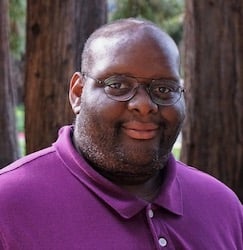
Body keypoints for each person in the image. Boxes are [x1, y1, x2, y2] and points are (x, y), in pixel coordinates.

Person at [0, 18, 242, 250]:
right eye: (117, 85)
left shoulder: (222, 205)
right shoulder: (8, 205)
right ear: (78, 93)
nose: (145, 105)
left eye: (163, 88)